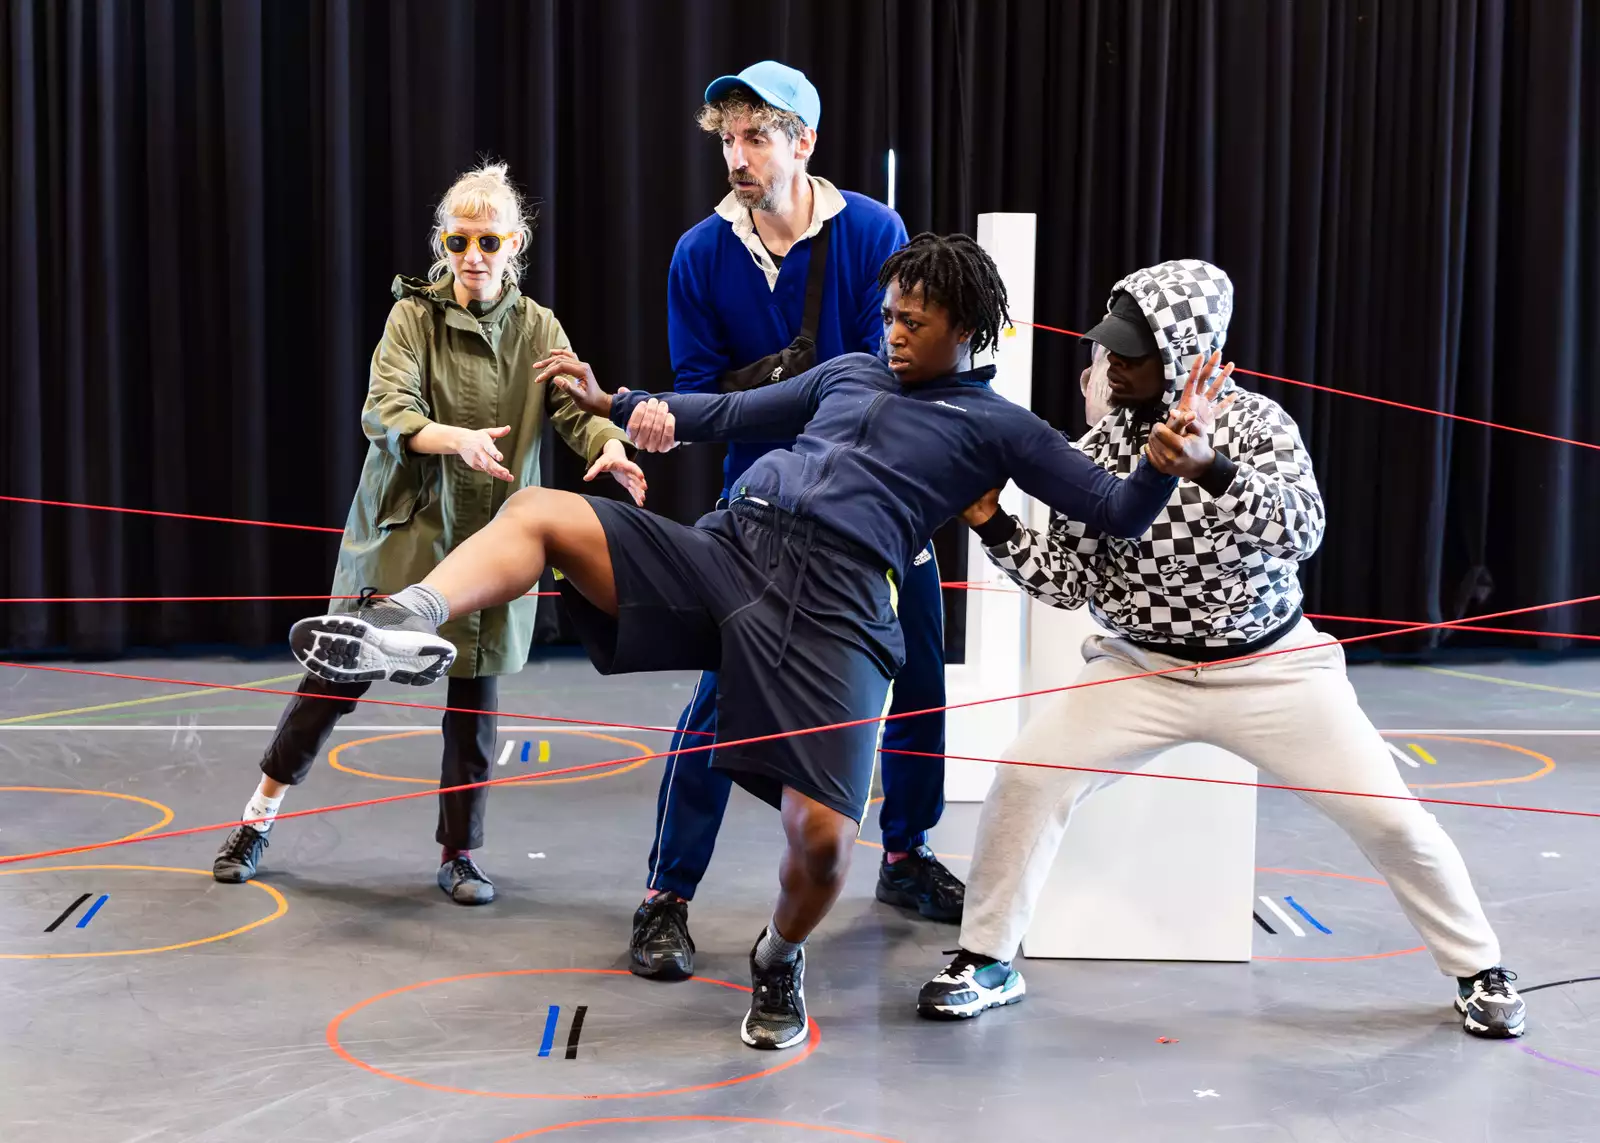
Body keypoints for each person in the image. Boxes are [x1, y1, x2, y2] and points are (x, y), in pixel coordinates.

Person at [282, 234, 1229, 1050]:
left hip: (841, 613)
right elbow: (729, 415)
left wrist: (1166, 463)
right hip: (734, 549)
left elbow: (1111, 509)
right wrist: (620, 400)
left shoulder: (999, 428)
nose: (893, 331)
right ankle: (400, 621)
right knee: (539, 512)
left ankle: (779, 955)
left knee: (822, 846)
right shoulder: (852, 372)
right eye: (890, 313)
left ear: (967, 332)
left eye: (914, 321)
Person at [914, 259, 1526, 1040]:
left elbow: (1303, 533)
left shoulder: (1259, 427)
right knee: (1028, 777)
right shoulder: (1099, 448)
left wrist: (1214, 470)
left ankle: (1480, 967)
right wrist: (992, 521)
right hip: (1140, 667)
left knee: (1390, 818)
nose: (1113, 366)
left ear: (1185, 352)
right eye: (1109, 349)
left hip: (1271, 667)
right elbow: (1067, 585)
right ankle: (987, 959)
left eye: (1133, 352)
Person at [211, 162, 646, 904]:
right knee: (332, 682)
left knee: (474, 705)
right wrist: (454, 439)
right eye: (458, 239)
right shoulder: (411, 317)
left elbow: (574, 409)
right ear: (442, 244)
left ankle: (459, 854)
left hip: (494, 543)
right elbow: (385, 408)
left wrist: (608, 440)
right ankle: (256, 818)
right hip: (406, 529)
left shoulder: (539, 327)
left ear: (515, 245)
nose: (472, 254)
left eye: (488, 240)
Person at [632, 60, 959, 985]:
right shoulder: (700, 254)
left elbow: (881, 385)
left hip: (883, 509)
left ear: (803, 142)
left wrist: (756, 393)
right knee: (711, 708)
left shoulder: (873, 232)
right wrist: (682, 408)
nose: (737, 157)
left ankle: (904, 855)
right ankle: (666, 896)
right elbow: (700, 399)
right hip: (758, 512)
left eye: (756, 137)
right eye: (727, 139)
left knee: (922, 674)